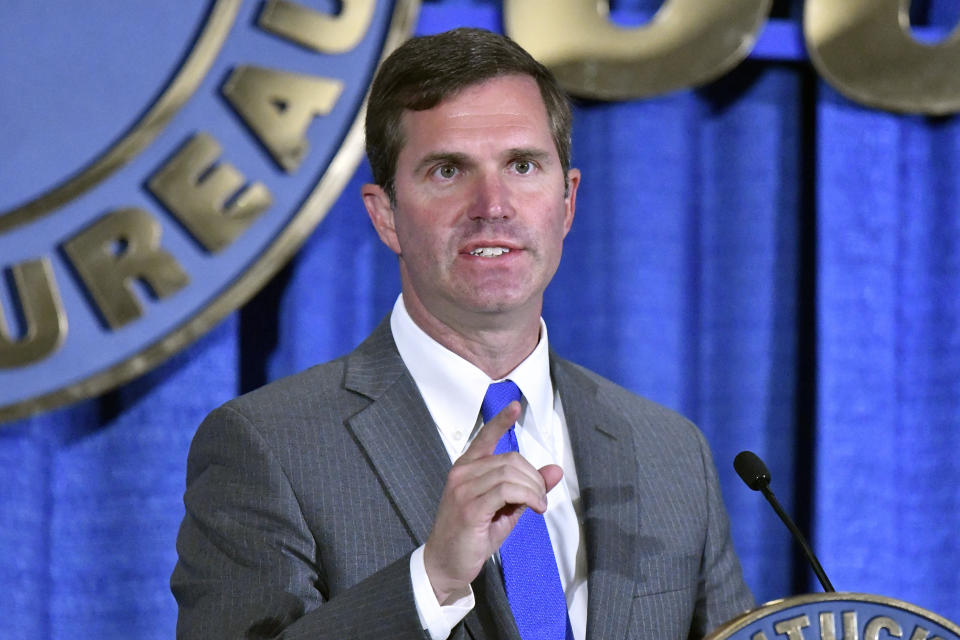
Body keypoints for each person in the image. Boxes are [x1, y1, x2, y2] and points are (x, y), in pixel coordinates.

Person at [171, 27, 754, 640]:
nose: (492, 204)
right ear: (385, 215)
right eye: (448, 170)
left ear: (567, 202)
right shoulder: (269, 447)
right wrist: (431, 582)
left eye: (523, 165)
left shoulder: (670, 453)